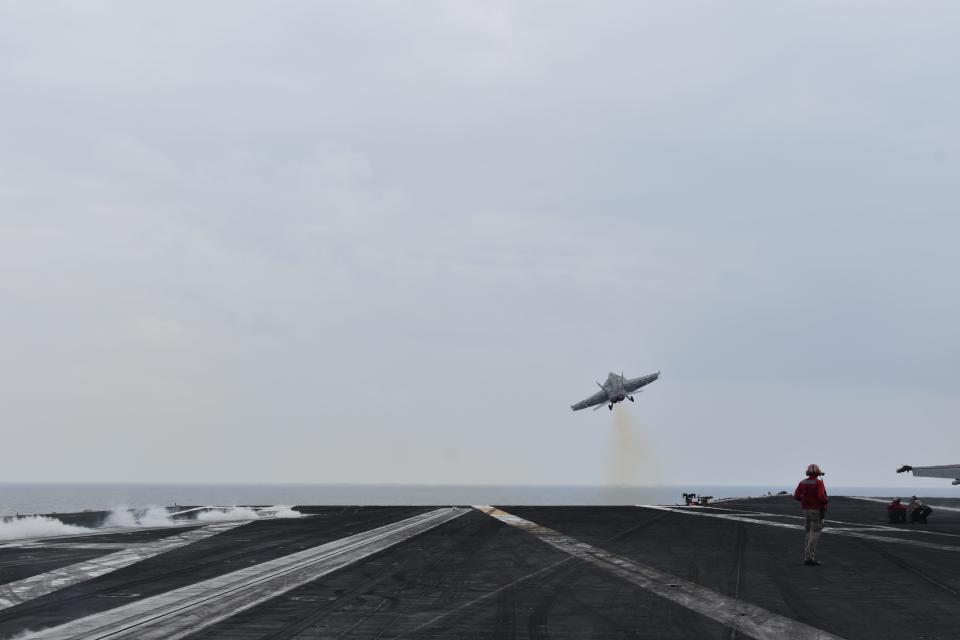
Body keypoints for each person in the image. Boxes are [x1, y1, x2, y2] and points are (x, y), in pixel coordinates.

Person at [794, 463, 828, 566]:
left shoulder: (802, 482)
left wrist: (804, 500)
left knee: (808, 532)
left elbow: (796, 496)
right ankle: (809, 558)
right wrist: (827, 500)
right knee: (815, 532)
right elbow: (821, 497)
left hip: (806, 510)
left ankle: (807, 556)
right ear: (817, 473)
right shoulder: (818, 483)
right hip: (816, 510)